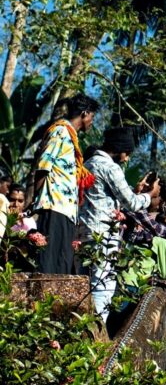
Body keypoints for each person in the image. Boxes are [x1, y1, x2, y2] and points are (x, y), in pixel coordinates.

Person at [78, 125, 160, 321]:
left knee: (83, 286)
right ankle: (92, 335)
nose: (127, 158)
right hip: (103, 236)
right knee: (102, 287)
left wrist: (137, 191)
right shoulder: (110, 167)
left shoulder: (87, 163)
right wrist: (150, 195)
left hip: (82, 233)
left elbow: (109, 197)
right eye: (127, 153)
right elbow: (130, 202)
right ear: (120, 149)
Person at [34, 95, 99, 274]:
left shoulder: (72, 137)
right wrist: (35, 201)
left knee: (62, 263)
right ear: (85, 114)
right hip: (54, 205)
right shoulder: (61, 131)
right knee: (49, 261)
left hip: (66, 210)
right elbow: (43, 166)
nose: (92, 122)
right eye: (92, 117)